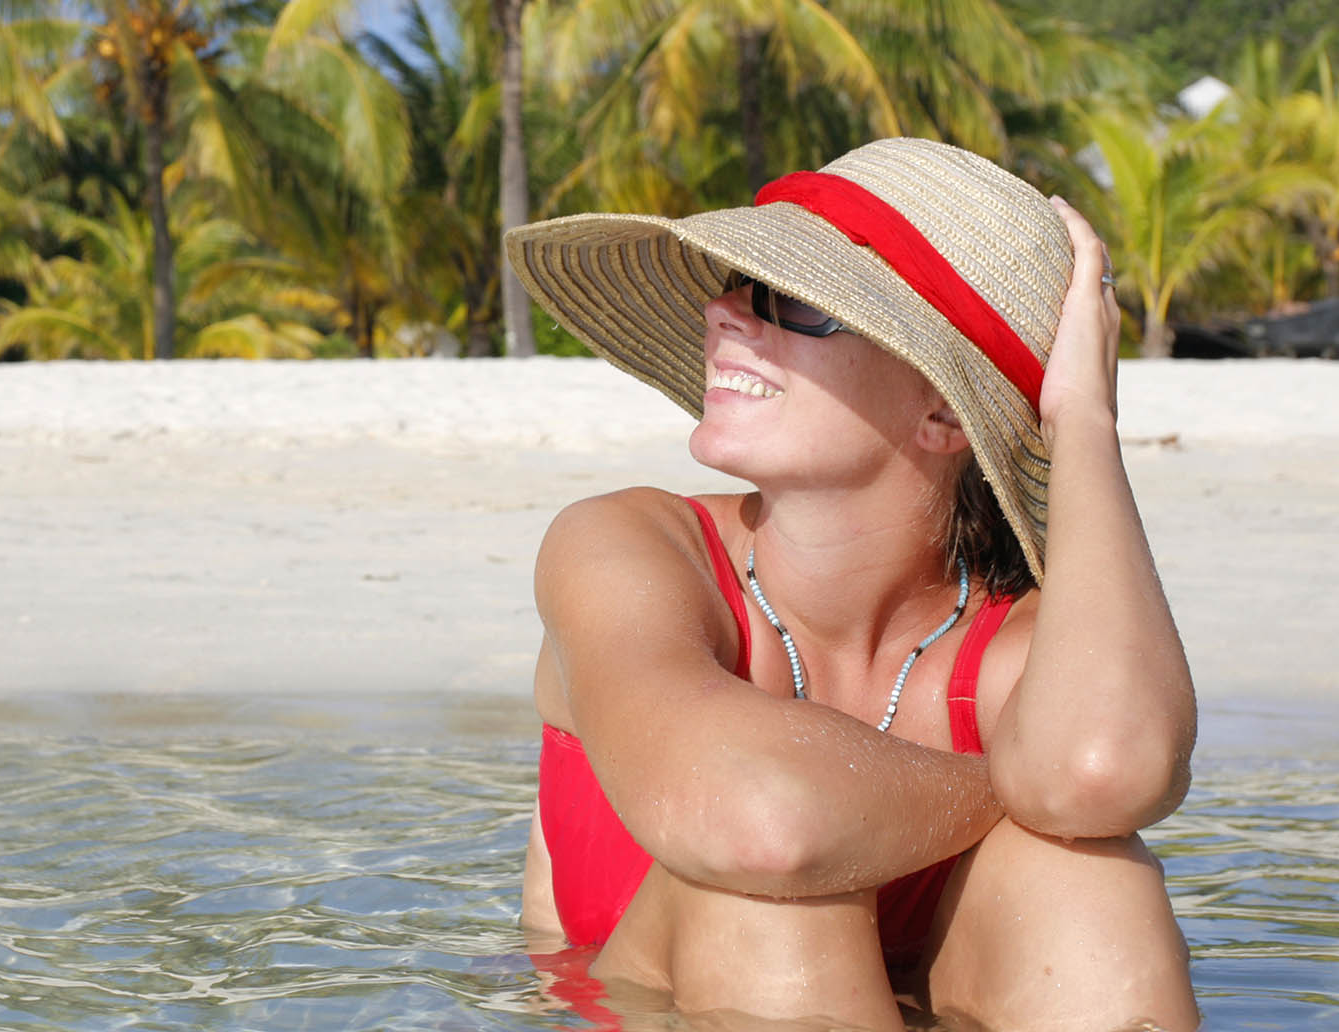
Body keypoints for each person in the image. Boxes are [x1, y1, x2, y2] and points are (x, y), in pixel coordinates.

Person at [504, 139, 1199, 1030]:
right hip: (638, 1006)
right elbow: (757, 820)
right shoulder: (630, 546)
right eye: (735, 280)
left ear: (945, 410)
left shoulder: (1008, 644)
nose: (722, 313)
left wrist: (1084, 423)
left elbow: (1108, 771)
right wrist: (1006, 785)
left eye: (791, 300)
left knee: (1086, 874)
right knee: (767, 897)